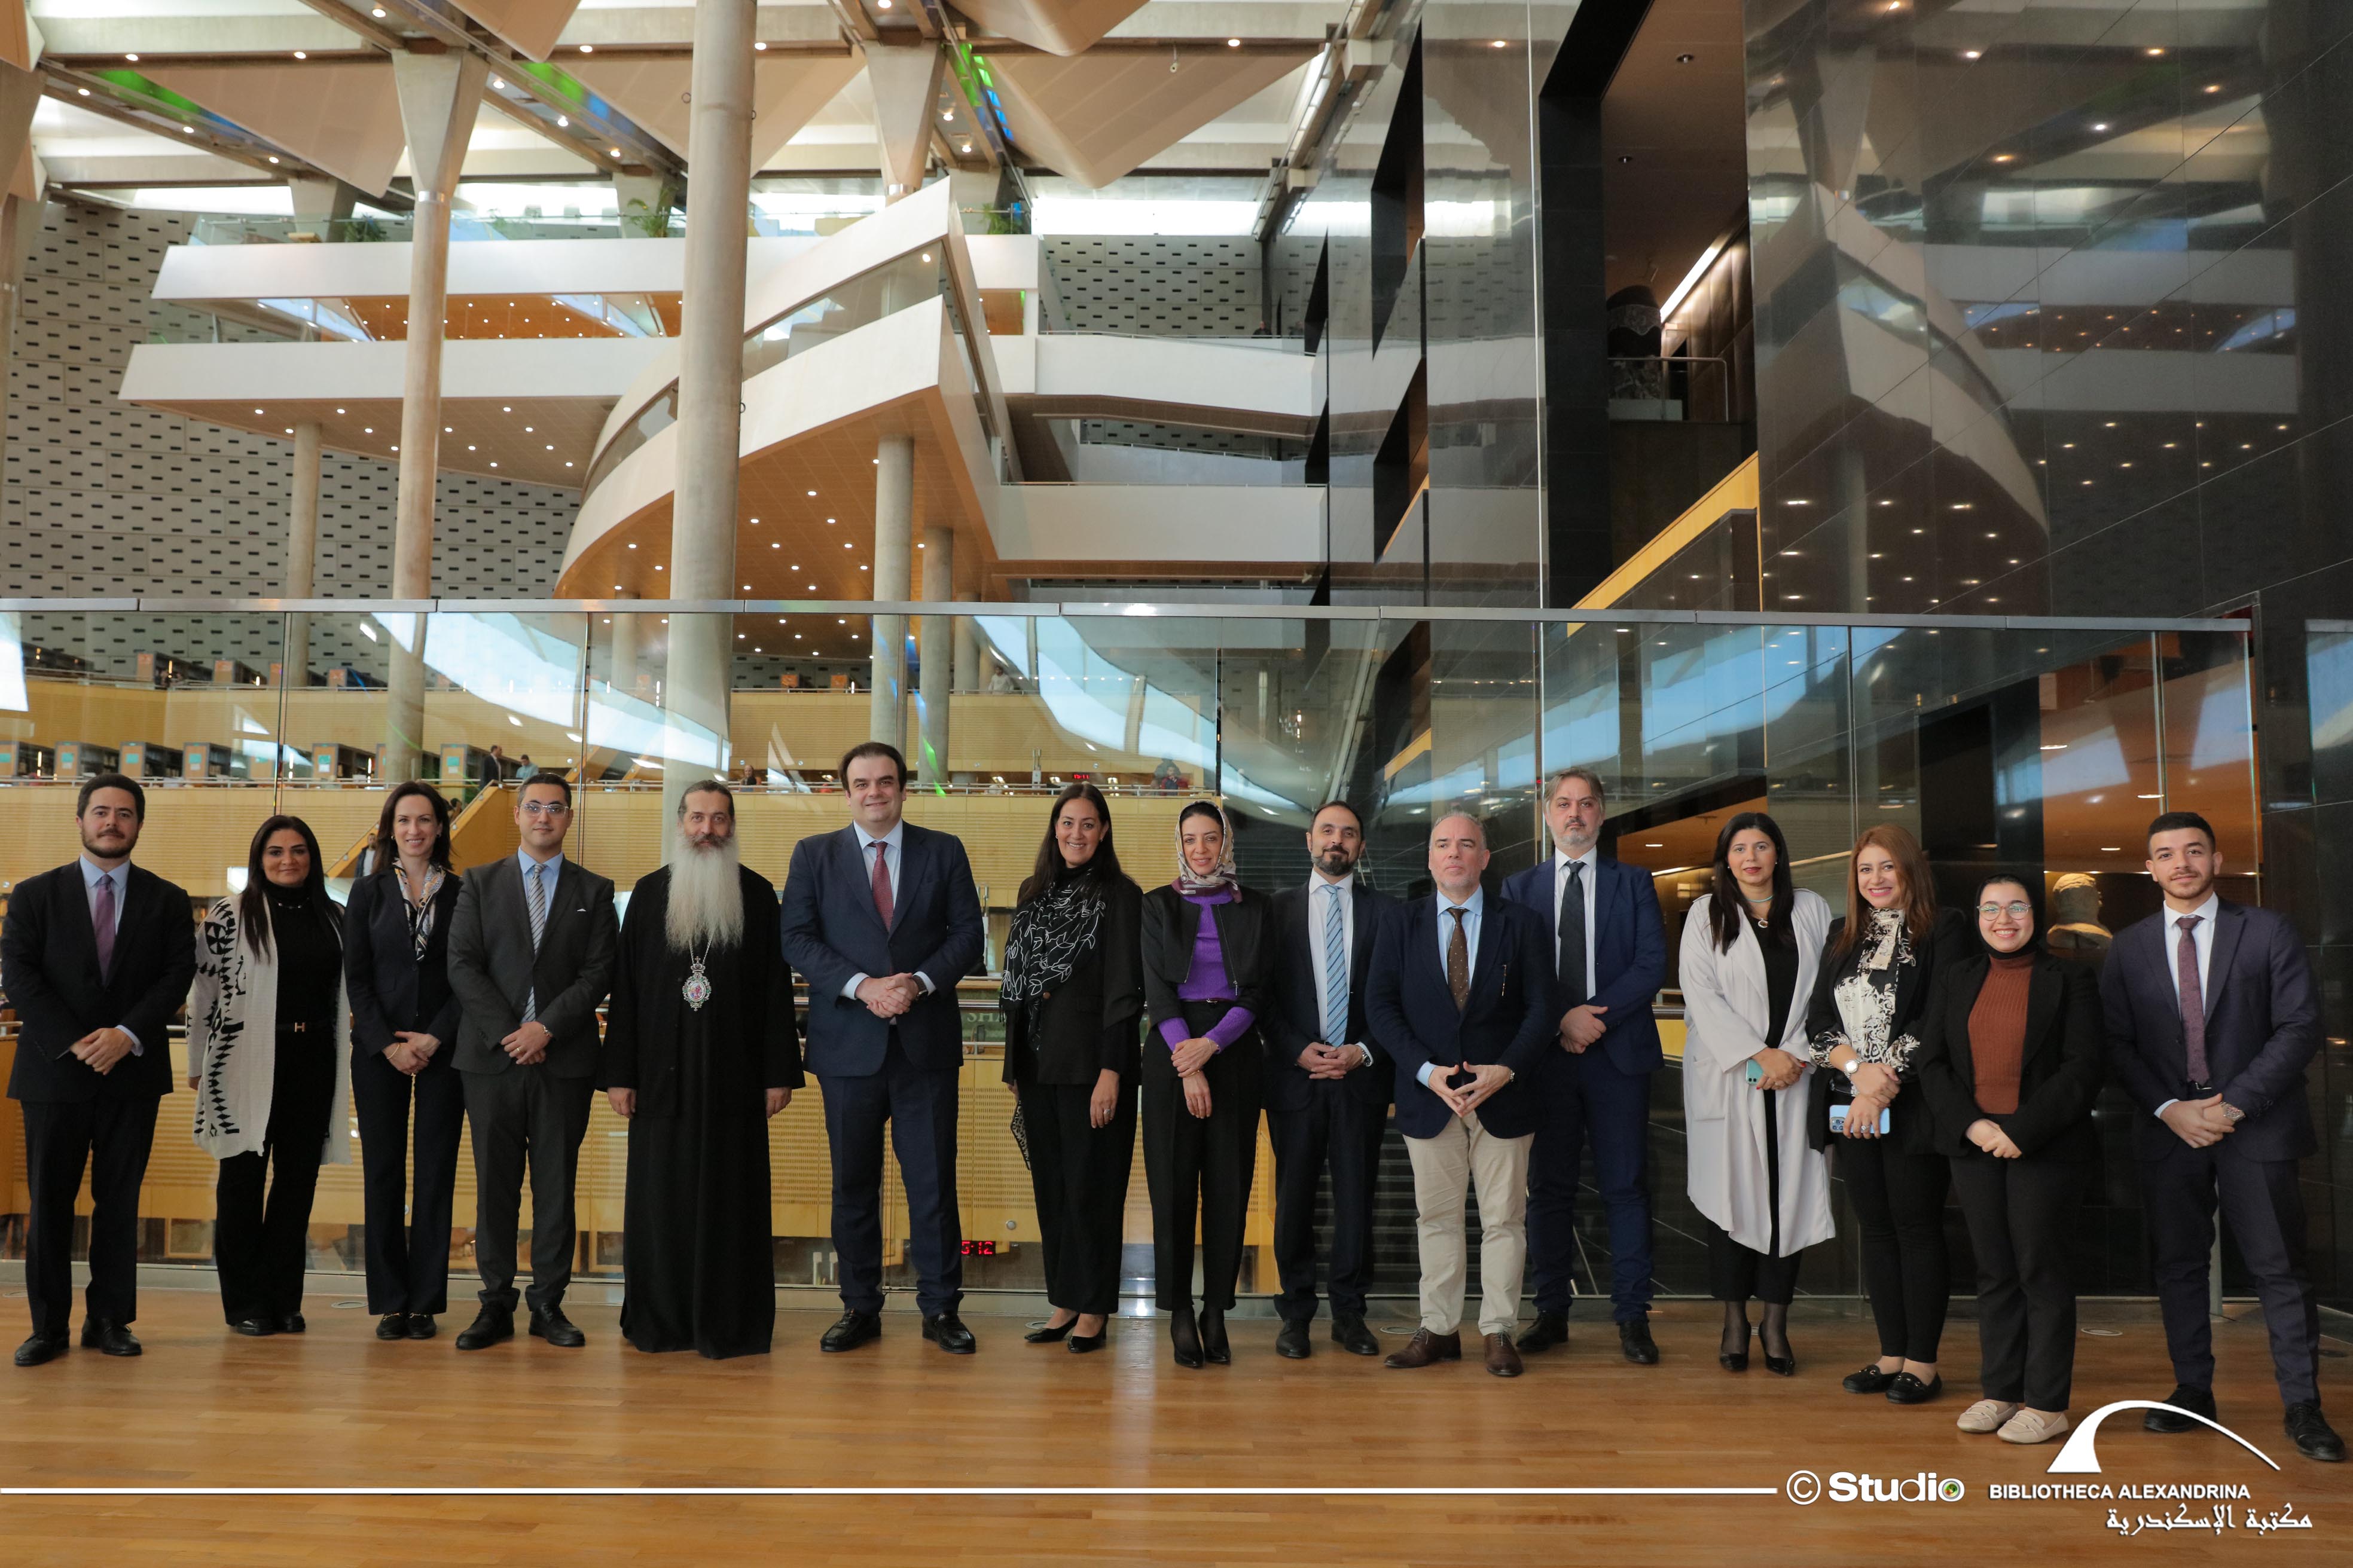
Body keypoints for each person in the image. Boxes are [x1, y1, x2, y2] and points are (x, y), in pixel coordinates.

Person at [2099, 812, 2341, 1463]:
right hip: (2168, 1131)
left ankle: (2302, 1405)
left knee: (2278, 1267)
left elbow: (2299, 1027)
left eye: (2192, 850)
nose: (2180, 863)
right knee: (2178, 1264)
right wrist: (2168, 1109)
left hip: (2256, 1124)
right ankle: (2192, 1391)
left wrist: (2230, 1106)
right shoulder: (2126, 947)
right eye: (2164, 854)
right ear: (2148, 867)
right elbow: (2115, 1043)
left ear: (2215, 859)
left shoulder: (2266, 930)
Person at [781, 741, 985, 1355]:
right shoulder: (813, 855)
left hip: (924, 1047)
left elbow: (968, 935)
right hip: (847, 1048)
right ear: (846, 792)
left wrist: (916, 983)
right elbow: (796, 938)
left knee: (932, 1184)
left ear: (902, 787)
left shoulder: (943, 850)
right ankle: (859, 1306)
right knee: (852, 1185)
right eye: (863, 783)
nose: (875, 792)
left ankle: (940, 1308)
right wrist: (864, 986)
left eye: (886, 781)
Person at [599, 781, 801, 1359]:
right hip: (659, 1079)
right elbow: (625, 990)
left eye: (718, 819)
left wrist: (778, 1073)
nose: (706, 830)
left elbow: (776, 992)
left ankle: (729, 1322)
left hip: (736, 1080)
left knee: (732, 1203)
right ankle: (662, 1321)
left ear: (732, 826)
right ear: (680, 823)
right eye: (696, 818)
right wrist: (620, 1074)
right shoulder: (649, 893)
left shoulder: (757, 895)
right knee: (661, 1203)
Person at [4, 774, 196, 1366]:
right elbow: (19, 976)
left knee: (119, 1201)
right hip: (53, 1071)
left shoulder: (167, 900)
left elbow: (176, 976)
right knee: (49, 1202)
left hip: (131, 1070)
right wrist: (76, 1042)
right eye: (102, 811)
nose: (113, 822)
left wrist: (125, 1035)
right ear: (81, 819)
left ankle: (110, 1320)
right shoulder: (34, 895)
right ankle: (47, 1327)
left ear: (139, 824)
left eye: (125, 813)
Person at [1914, 876, 2105, 1446]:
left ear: (2033, 915)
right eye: (1991, 908)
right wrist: (1973, 1125)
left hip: (2044, 1145)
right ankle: (1999, 1392)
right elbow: (1932, 1062)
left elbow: (2083, 1066)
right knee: (1994, 1270)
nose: (2004, 918)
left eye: (2016, 906)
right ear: (1977, 917)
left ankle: (2046, 1403)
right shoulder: (1957, 976)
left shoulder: (2070, 978)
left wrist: (2019, 1131)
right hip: (1974, 1144)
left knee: (2040, 1270)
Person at [1365, 812, 1551, 1379]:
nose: (1454, 853)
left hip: (1504, 1096)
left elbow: (1542, 1008)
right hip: (1430, 1097)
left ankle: (1498, 1330)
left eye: (1466, 844)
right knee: (1437, 1218)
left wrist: (1506, 1070)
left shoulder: (1521, 923)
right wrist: (1426, 1072)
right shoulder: (1399, 922)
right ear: (1429, 858)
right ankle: (1439, 1329)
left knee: (1504, 1220)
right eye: (1443, 844)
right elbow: (1380, 1006)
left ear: (1484, 858)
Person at [444, 774, 618, 1352]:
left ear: (569, 817)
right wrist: (511, 1033)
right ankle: (494, 1303)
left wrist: (545, 1028)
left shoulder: (595, 890)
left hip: (562, 1060)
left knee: (555, 1186)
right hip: (490, 1061)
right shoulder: (479, 882)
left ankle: (548, 1303)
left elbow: (598, 972)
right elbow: (462, 964)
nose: (544, 817)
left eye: (556, 808)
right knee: (494, 1187)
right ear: (517, 814)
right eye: (534, 807)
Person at [1501, 766, 1667, 1365]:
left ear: (1601, 814)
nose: (1574, 813)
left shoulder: (1635, 882)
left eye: (1586, 803)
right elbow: (1513, 971)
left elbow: (1650, 964)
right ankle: (1550, 1311)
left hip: (1617, 1056)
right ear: (1547, 814)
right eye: (1564, 804)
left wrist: (1593, 1017)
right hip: (1546, 1060)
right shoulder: (1518, 888)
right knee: (1548, 1189)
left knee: (1626, 1187)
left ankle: (1632, 1317)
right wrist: (1561, 1020)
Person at [1805, 823, 1971, 1405]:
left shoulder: (1944, 927)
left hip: (1914, 1103)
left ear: (1909, 870)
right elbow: (1817, 1021)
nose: (1874, 879)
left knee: (1915, 1227)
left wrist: (1879, 1087)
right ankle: (1890, 1354)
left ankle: (1922, 1362)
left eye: (1886, 866)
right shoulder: (1841, 934)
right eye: (1864, 869)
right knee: (1874, 1228)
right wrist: (1856, 1074)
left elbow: (1940, 1016)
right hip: (1850, 1105)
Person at [1676, 812, 1833, 1377]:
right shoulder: (1706, 913)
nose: (1750, 857)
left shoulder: (1811, 909)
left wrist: (1791, 1055)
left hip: (1795, 1072)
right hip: (1731, 1074)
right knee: (1731, 1199)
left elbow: (1827, 990)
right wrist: (1756, 1056)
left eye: (1761, 846)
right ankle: (1734, 1320)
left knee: (1787, 1200)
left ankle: (1775, 1323)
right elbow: (1700, 995)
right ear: (1725, 858)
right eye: (1739, 848)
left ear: (1778, 854)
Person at [187, 815, 352, 1336]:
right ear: (260, 859)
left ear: (312, 857)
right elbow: (202, 992)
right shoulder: (230, 914)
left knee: (296, 1186)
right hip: (244, 1061)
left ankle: (284, 1299)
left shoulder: (335, 916)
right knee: (242, 1183)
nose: (288, 860)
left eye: (299, 850)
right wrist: (196, 1064)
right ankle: (245, 1303)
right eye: (276, 851)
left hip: (314, 1059)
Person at [999, 783, 1143, 1356]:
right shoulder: (1032, 891)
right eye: (1066, 822)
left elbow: (1123, 991)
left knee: (1092, 1190)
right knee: (1053, 1189)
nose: (1075, 833)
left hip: (1091, 1066)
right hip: (1036, 1063)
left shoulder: (1120, 895)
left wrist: (1113, 1070)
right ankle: (1063, 1299)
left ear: (1103, 831)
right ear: (1054, 828)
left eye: (1087, 823)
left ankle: (1094, 1307)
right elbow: (1018, 985)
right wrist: (1013, 1064)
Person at [1139, 799, 1274, 1370]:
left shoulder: (1256, 907)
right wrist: (1188, 1062)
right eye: (1190, 838)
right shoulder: (1156, 905)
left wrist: (1212, 1045)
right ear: (1179, 843)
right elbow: (1156, 991)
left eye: (1210, 838)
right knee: (1171, 1187)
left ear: (1226, 843)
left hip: (1234, 1049)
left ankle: (1216, 1308)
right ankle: (1177, 1311)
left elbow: (1259, 991)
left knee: (1228, 1186)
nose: (1200, 849)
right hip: (1172, 1051)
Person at [1261, 799, 1396, 1359]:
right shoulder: (1274, 911)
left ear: (1360, 845)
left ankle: (1349, 1313)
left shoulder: (1387, 913)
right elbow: (1261, 997)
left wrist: (1362, 1051)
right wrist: (1297, 1050)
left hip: (1360, 1078)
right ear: (1309, 840)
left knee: (1356, 1200)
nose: (1336, 840)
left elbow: (1398, 997)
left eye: (1348, 833)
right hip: (1295, 1080)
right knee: (1293, 1198)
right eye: (1327, 831)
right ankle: (1295, 1314)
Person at [343, 781, 466, 1340]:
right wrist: (389, 1044)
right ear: (389, 829)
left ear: (439, 828)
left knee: (436, 1172)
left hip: (444, 1048)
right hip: (379, 1050)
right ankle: (392, 1301)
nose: (414, 830)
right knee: (384, 1172)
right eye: (403, 820)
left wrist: (435, 1037)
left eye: (424, 820)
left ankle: (426, 1302)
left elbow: (469, 975)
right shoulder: (366, 893)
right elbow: (356, 978)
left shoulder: (463, 892)